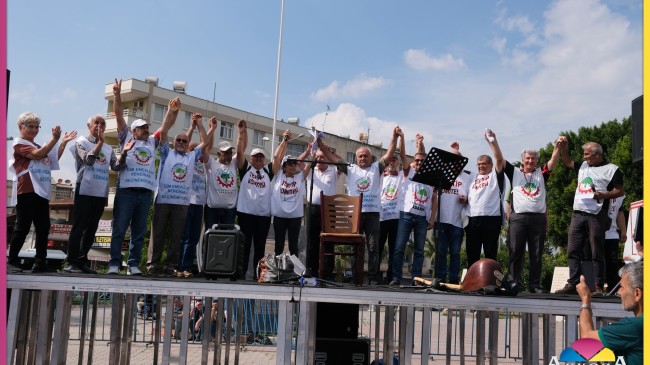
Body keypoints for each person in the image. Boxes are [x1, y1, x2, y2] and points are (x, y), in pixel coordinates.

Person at [108, 79, 179, 275]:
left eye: (147, 127)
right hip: (126, 192)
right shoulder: (126, 138)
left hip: (145, 193)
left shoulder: (151, 142)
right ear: (134, 131)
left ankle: (132, 264)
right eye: (142, 128)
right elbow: (120, 116)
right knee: (120, 230)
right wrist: (116, 95)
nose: (147, 130)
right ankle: (114, 263)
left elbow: (164, 128)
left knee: (139, 233)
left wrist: (170, 111)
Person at [318, 127, 401, 285]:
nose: (363, 158)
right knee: (355, 246)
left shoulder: (377, 168)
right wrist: (321, 146)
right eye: (360, 156)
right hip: (354, 214)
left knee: (373, 247)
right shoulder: (351, 168)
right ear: (356, 159)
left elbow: (389, 155)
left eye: (366, 156)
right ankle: (355, 276)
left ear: (371, 158)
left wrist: (394, 137)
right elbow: (333, 159)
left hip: (372, 214)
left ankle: (372, 277)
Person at [490, 132, 560, 293]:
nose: (530, 161)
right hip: (519, 218)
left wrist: (557, 147)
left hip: (538, 218)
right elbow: (499, 159)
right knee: (515, 252)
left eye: (533, 159)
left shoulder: (541, 173)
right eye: (527, 158)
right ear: (523, 160)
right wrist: (493, 141)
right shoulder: (514, 172)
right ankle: (514, 282)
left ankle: (535, 284)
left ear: (536, 161)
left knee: (536, 254)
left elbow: (553, 161)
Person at [7, 112, 76, 273]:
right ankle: (11, 260)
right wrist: (54, 139)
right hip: (27, 188)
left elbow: (51, 159)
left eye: (37, 127)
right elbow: (38, 155)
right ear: (20, 127)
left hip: (42, 191)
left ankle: (40, 262)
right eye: (30, 126)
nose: (34, 130)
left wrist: (62, 143)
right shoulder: (19, 143)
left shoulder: (38, 145)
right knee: (22, 226)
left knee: (43, 227)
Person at [555, 138, 624, 294]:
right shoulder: (583, 166)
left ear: (597, 155)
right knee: (573, 249)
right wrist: (563, 148)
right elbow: (567, 162)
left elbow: (620, 191)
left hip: (597, 214)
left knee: (596, 250)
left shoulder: (612, 169)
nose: (584, 157)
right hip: (578, 213)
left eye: (587, 154)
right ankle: (573, 283)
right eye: (584, 155)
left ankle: (598, 286)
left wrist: (603, 195)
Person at [147, 112, 211, 277]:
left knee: (176, 237)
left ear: (188, 143)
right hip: (163, 200)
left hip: (182, 203)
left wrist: (200, 124)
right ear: (173, 142)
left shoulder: (192, 156)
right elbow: (164, 131)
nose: (182, 143)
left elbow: (205, 141)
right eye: (179, 140)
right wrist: (169, 112)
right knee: (158, 234)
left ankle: (170, 266)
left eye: (184, 141)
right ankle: (153, 265)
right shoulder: (166, 152)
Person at [64, 114, 122, 274]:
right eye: (96, 123)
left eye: (103, 123)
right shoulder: (81, 142)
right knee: (79, 226)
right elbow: (88, 161)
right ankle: (71, 261)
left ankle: (82, 260)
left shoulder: (109, 148)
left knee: (91, 228)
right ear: (89, 125)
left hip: (100, 191)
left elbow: (116, 167)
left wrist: (125, 154)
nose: (100, 126)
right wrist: (101, 142)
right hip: (84, 189)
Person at [389, 133, 437, 286]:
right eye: (416, 160)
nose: (419, 163)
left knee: (419, 250)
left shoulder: (430, 177)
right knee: (399, 247)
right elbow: (402, 155)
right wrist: (402, 138)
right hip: (406, 214)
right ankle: (396, 277)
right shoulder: (409, 172)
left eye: (422, 161)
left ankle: (416, 278)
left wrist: (432, 218)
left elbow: (434, 198)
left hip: (422, 217)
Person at [576, 261, 643, 365]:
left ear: (637, 293)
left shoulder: (635, 326)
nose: (619, 292)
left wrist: (585, 299)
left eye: (622, 287)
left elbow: (587, 338)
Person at [177, 117, 216, 278]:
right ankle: (179, 266)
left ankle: (186, 266)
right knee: (184, 236)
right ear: (187, 150)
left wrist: (211, 129)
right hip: (187, 202)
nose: (197, 152)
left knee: (193, 238)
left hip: (199, 203)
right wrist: (195, 127)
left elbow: (206, 144)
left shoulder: (201, 163)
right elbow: (188, 142)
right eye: (193, 149)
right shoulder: (186, 159)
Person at [237, 120, 275, 280]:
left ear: (264, 160)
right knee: (244, 246)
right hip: (246, 214)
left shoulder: (268, 171)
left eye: (261, 157)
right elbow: (239, 153)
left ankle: (258, 275)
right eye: (255, 157)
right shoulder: (245, 168)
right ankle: (242, 273)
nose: (258, 159)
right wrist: (241, 132)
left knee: (260, 248)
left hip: (263, 216)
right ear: (250, 158)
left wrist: (285, 141)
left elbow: (279, 157)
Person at [464, 130, 507, 268]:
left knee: (490, 253)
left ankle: (490, 282)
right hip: (472, 218)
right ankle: (473, 283)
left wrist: (492, 141)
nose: (481, 166)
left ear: (490, 165)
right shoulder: (472, 177)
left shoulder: (495, 175)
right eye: (479, 164)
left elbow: (499, 159)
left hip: (491, 218)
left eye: (484, 163)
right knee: (472, 253)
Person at [433, 141, 472, 285]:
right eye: (451, 158)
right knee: (441, 252)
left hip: (457, 221)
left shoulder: (468, 177)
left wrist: (466, 199)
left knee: (455, 253)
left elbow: (473, 196)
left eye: (457, 159)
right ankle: (441, 279)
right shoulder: (441, 174)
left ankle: (454, 279)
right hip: (440, 219)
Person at [271, 131, 312, 256]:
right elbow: (276, 157)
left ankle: (294, 272)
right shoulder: (278, 176)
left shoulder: (299, 177)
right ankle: (278, 271)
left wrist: (311, 151)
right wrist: (285, 141)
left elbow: (309, 164)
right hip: (279, 217)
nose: (293, 166)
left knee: (293, 245)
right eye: (289, 164)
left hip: (295, 217)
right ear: (284, 166)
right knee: (279, 244)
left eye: (294, 164)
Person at [304, 144, 341, 278]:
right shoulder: (311, 170)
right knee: (311, 242)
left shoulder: (334, 170)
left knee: (329, 242)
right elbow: (298, 164)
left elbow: (341, 162)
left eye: (322, 156)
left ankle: (327, 273)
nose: (319, 159)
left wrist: (329, 151)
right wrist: (310, 153)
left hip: (329, 208)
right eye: (318, 156)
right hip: (312, 209)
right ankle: (311, 270)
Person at [204, 119, 247, 227]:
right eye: (225, 153)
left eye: (230, 153)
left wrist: (242, 131)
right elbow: (204, 147)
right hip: (212, 209)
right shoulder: (211, 163)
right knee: (211, 236)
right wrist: (212, 129)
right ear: (219, 154)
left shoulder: (234, 162)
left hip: (229, 210)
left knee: (227, 238)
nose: (228, 155)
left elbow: (242, 149)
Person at [378, 137, 408, 284]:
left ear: (398, 163)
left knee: (394, 250)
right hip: (381, 217)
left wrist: (401, 139)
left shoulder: (402, 175)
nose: (392, 162)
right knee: (377, 247)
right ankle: (375, 276)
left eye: (395, 160)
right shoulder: (380, 175)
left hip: (397, 218)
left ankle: (392, 277)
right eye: (390, 160)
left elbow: (403, 155)